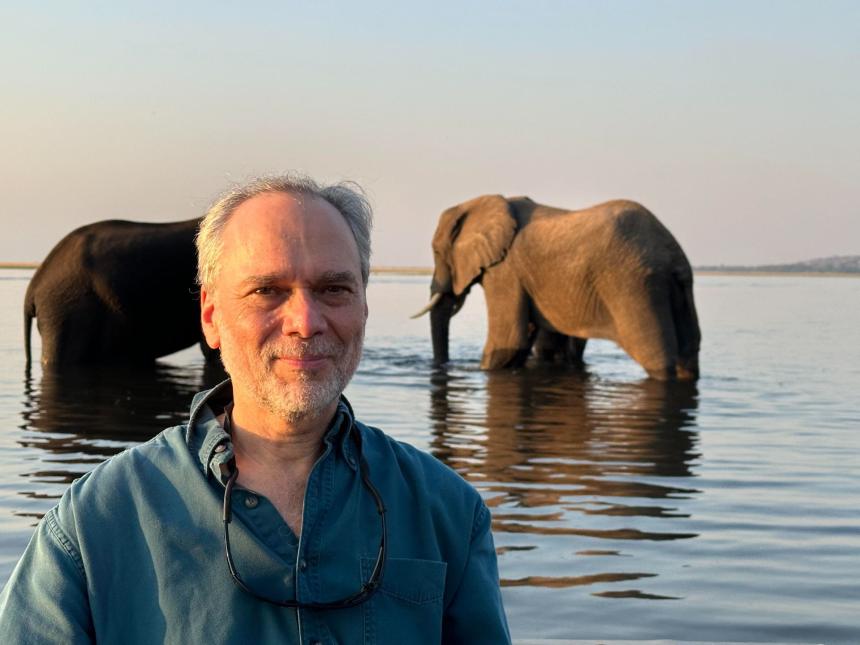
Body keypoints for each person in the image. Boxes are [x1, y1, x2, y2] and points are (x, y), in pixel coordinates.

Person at [0, 174, 511, 643]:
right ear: (210, 317)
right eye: (268, 290)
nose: (305, 322)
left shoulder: (449, 515)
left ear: (363, 308)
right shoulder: (93, 526)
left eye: (334, 289)